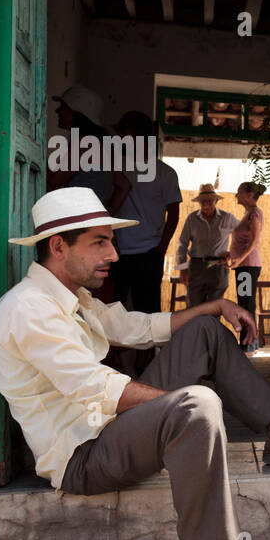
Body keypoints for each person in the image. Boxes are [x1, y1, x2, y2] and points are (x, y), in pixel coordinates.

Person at [0, 188, 270, 540]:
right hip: (83, 458)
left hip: (113, 433)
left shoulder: (75, 297)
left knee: (204, 331)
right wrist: (175, 408)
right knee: (197, 406)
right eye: (100, 242)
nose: (114, 255)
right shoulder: (28, 308)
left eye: (111, 241)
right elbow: (92, 386)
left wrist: (216, 305)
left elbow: (137, 328)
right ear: (58, 245)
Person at [108, 111, 181, 374]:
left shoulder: (162, 172)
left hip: (138, 251)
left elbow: (174, 214)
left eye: (122, 134)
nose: (117, 139)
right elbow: (173, 215)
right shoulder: (118, 167)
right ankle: (120, 360)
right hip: (117, 250)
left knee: (144, 311)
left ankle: (145, 361)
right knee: (117, 309)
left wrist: (160, 249)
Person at [49, 84, 129, 304]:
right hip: (97, 230)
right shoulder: (103, 145)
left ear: (78, 112)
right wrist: (106, 216)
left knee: (80, 297)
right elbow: (124, 186)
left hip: (79, 233)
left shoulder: (83, 145)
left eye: (63, 107)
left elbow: (52, 182)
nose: (58, 112)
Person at [176, 183, 239, 307]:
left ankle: (212, 327)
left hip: (219, 267)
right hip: (196, 268)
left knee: (214, 309)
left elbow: (244, 235)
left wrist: (232, 253)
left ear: (216, 200)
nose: (205, 205)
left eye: (209, 201)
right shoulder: (192, 218)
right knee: (193, 308)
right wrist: (182, 269)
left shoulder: (227, 218)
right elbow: (182, 244)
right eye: (202, 201)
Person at [228, 181, 266, 353]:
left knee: (246, 305)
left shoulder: (254, 214)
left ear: (250, 195)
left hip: (248, 266)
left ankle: (249, 343)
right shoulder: (248, 213)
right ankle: (246, 342)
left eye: (239, 192)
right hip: (243, 266)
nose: (237, 195)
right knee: (244, 303)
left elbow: (254, 241)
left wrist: (240, 259)